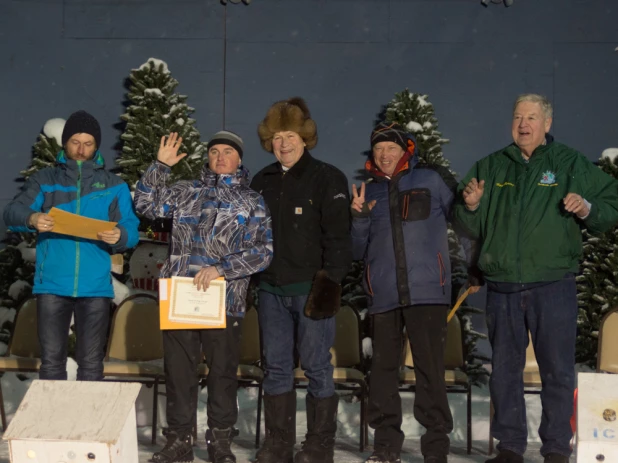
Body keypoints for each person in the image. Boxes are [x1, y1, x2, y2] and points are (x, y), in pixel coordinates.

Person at [453, 94, 618, 463]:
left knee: (557, 371)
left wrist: (588, 208)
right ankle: (509, 447)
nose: (523, 124)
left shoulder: (569, 163)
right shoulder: (491, 166)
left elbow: (612, 205)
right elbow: (466, 227)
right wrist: (472, 206)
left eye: (531, 117)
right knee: (504, 373)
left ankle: (557, 448)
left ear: (547, 124)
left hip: (553, 285)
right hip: (503, 288)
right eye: (517, 116)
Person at [134, 130, 273, 463]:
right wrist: (160, 166)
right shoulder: (185, 192)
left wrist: (222, 268)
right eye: (214, 151)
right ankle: (179, 440)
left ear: (239, 159)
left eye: (228, 151)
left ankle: (220, 441)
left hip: (225, 301)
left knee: (222, 373)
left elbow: (264, 251)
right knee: (179, 373)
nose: (220, 157)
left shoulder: (252, 201)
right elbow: (144, 204)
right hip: (180, 299)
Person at [351, 122, 481, 463]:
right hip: (384, 295)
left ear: (405, 150)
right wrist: (360, 219)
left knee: (429, 371)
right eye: (378, 149)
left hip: (428, 292)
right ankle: (386, 445)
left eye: (390, 148)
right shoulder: (370, 192)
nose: (384, 154)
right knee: (382, 372)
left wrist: (475, 263)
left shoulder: (430, 180)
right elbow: (355, 250)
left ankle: (436, 447)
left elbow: (463, 222)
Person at [250, 97, 352, 463]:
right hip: (271, 290)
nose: (284, 143)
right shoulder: (261, 181)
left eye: (290, 134)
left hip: (311, 290)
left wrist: (329, 283)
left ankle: (319, 443)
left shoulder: (327, 177)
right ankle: (278, 442)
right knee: (276, 367)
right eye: (277, 136)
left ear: (305, 137)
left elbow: (340, 237)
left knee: (316, 366)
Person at [3, 110, 140, 381]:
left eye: (88, 143)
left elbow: (131, 228)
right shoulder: (45, 179)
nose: (81, 149)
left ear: (96, 146)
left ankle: (89, 423)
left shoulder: (114, 185)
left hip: (96, 287)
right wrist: (32, 218)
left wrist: (120, 236)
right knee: (52, 364)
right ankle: (55, 423)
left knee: (91, 364)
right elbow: (11, 212)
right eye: (75, 142)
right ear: (65, 143)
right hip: (53, 283)